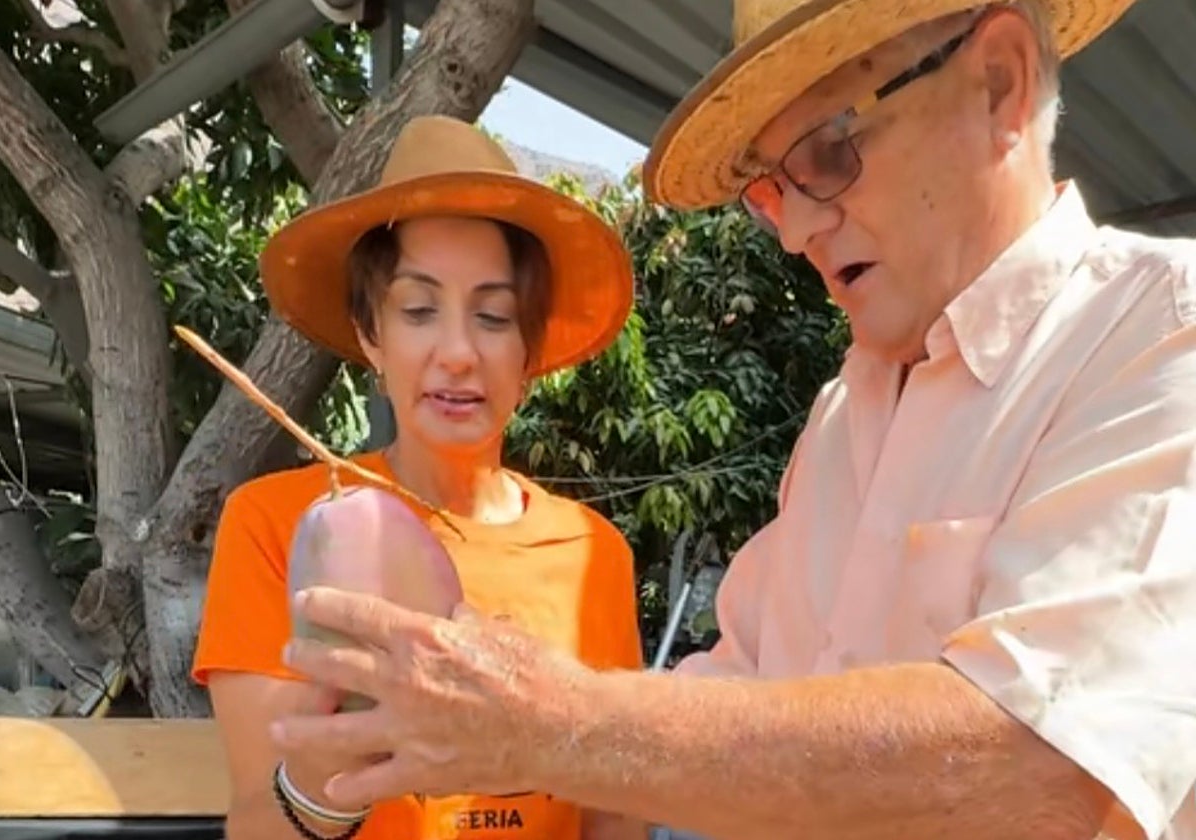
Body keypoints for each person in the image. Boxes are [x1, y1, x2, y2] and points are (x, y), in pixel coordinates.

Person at [267, 1, 1196, 839]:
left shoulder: (1163, 337)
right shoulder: (842, 417)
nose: (794, 232)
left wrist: (548, 721)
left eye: (829, 154)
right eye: (768, 192)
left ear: (999, 84)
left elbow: (1044, 766)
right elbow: (734, 702)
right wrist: (386, 754)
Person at [190, 114, 648, 840]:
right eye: (419, 310)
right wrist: (345, 758)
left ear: (530, 349)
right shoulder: (276, 523)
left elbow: (612, 820)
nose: (459, 352)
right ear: (371, 333)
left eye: (495, 317)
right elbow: (258, 821)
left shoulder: (595, 553)